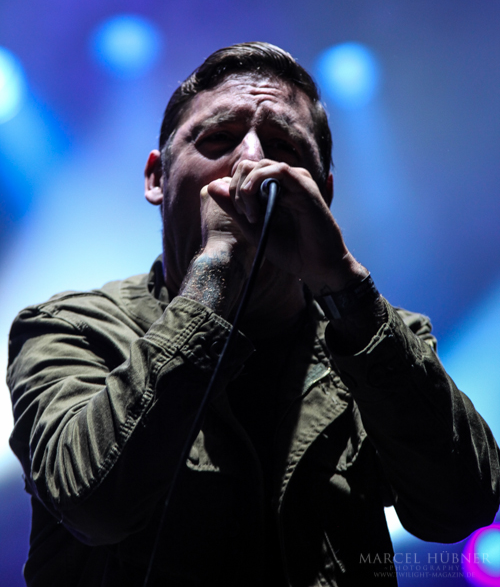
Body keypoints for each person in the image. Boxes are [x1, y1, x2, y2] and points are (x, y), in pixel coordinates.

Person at [7, 42, 500, 587]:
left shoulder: (380, 336)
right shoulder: (71, 329)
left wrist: (345, 285)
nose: (251, 162)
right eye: (218, 139)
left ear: (322, 191)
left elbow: (463, 505)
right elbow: (93, 507)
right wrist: (215, 272)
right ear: (156, 178)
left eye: (284, 146)